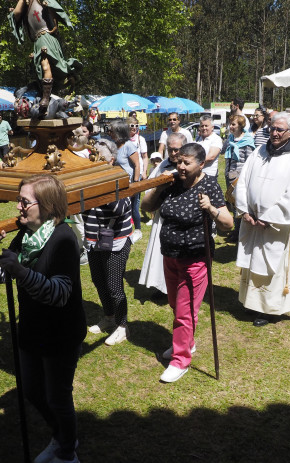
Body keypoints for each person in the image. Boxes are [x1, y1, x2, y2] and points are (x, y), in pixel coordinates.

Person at [0, 175, 85, 462]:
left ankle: (67, 452)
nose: (18, 208)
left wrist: (21, 272)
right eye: (19, 200)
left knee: (57, 397)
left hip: (61, 333)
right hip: (31, 329)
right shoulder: (25, 235)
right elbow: (0, 275)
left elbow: (60, 293)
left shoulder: (64, 239)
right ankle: (61, 436)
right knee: (32, 390)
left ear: (48, 205)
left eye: (24, 202)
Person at [142, 143, 232, 382]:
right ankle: (187, 342)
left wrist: (211, 208)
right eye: (178, 161)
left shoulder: (209, 185)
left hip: (196, 258)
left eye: (186, 162)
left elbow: (228, 224)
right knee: (175, 304)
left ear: (201, 164)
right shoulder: (172, 182)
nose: (180, 166)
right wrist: (158, 187)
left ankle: (180, 360)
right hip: (170, 254)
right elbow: (146, 207)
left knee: (185, 311)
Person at [234, 112, 290, 327]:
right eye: (272, 128)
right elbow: (243, 181)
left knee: (274, 266)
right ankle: (251, 303)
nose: (275, 133)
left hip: (276, 225)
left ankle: (270, 308)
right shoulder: (260, 151)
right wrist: (245, 210)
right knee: (254, 262)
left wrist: (269, 217)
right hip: (253, 221)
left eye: (280, 129)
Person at [82, 164, 133, 346]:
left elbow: (119, 209)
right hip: (95, 241)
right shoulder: (86, 184)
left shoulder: (119, 182)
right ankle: (110, 317)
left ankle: (122, 326)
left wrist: (102, 189)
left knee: (113, 285)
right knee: (99, 280)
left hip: (117, 240)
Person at [9, 0, 82, 113]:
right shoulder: (26, 8)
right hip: (38, 41)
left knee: (45, 65)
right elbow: (16, 14)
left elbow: (53, 8)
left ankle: (46, 98)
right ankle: (63, 82)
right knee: (40, 74)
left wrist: (55, 26)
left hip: (47, 36)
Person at [138, 132, 186, 296]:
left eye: (177, 150)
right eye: (171, 149)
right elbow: (150, 186)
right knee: (161, 254)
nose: (173, 153)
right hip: (163, 217)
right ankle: (162, 286)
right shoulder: (162, 165)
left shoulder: (188, 165)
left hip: (182, 220)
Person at [223, 114, 255, 241]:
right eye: (230, 124)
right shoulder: (230, 139)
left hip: (240, 176)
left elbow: (249, 161)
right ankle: (237, 231)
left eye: (233, 124)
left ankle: (239, 232)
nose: (230, 127)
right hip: (230, 174)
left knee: (240, 204)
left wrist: (243, 176)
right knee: (232, 203)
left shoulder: (247, 140)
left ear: (241, 126)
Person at [128, 116, 147, 242]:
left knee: (135, 203)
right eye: (132, 126)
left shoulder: (140, 140)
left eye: (136, 126)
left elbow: (145, 157)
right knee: (126, 203)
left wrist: (144, 171)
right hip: (125, 175)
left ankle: (138, 229)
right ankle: (127, 227)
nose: (134, 128)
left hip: (137, 175)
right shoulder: (123, 140)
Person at [195, 114, 223, 179]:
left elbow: (211, 157)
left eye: (206, 126)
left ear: (212, 127)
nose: (204, 128)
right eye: (202, 126)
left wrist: (194, 163)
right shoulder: (198, 139)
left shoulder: (216, 139)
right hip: (197, 174)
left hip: (209, 175)